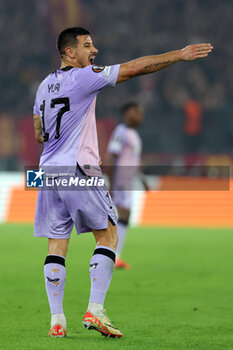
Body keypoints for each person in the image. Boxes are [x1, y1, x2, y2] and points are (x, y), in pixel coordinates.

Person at [33, 26, 213, 338]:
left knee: (56, 245)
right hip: (79, 168)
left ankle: (57, 321)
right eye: (88, 45)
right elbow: (133, 68)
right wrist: (179, 55)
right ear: (69, 52)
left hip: (46, 172)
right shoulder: (85, 76)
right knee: (109, 236)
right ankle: (95, 309)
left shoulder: (44, 86)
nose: (95, 50)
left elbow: (39, 133)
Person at [105, 102, 148, 269]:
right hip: (120, 182)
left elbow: (133, 160)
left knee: (124, 217)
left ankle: (114, 255)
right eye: (135, 111)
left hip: (129, 182)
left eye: (140, 112)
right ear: (126, 114)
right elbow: (111, 156)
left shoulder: (134, 135)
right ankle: (111, 255)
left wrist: (142, 178)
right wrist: (110, 183)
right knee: (122, 215)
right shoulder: (121, 132)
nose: (139, 115)